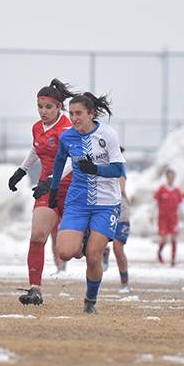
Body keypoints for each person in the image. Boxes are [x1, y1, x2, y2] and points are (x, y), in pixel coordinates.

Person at [49, 92, 125, 314]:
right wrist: (53, 189)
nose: (74, 118)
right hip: (78, 201)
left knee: (93, 256)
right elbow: (60, 161)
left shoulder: (107, 134)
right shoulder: (67, 137)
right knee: (64, 252)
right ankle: (83, 239)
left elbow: (119, 169)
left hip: (106, 203)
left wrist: (96, 169)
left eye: (79, 113)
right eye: (71, 113)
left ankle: (90, 301)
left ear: (91, 114)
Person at [8, 79, 77, 306]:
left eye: (48, 107)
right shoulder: (37, 127)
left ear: (59, 108)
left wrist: (53, 180)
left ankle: (96, 247)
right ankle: (35, 289)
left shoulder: (67, 129)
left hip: (71, 188)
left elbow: (72, 161)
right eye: (40, 106)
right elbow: (36, 148)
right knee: (37, 236)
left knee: (71, 251)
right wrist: (21, 170)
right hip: (47, 189)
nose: (43, 111)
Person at [154, 169, 184, 266]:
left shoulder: (177, 190)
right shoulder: (162, 189)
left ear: (174, 178)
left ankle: (173, 260)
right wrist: (152, 215)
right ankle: (159, 252)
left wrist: (183, 217)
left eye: (172, 176)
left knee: (174, 238)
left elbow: (181, 205)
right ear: (166, 177)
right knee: (164, 238)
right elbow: (154, 202)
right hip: (163, 218)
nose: (171, 178)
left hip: (173, 218)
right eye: (169, 176)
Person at [112, 159, 131, 293]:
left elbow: (120, 188)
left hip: (121, 210)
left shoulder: (119, 166)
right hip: (102, 208)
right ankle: (104, 254)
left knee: (118, 248)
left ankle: (124, 282)